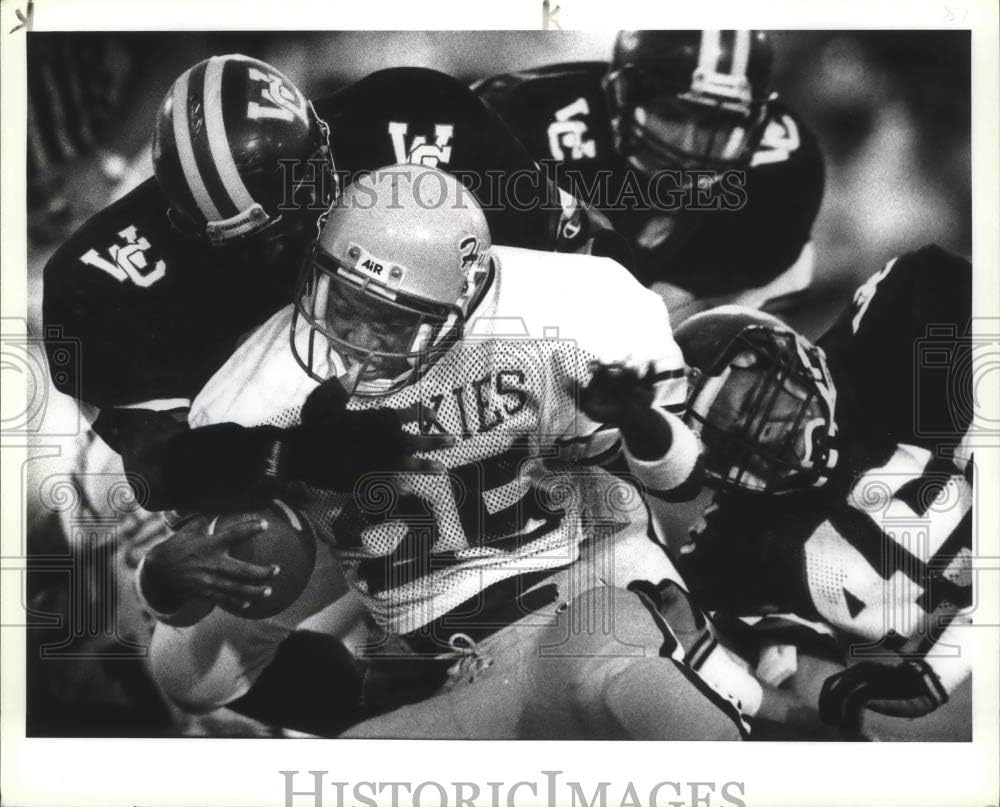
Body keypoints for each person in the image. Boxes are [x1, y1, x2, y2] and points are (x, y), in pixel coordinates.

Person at [141, 164, 761, 739]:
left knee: (683, 695)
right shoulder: (258, 390)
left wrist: (637, 421)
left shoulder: (568, 312)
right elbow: (192, 558)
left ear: (462, 306)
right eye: (345, 307)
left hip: (585, 576)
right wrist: (163, 576)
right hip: (444, 651)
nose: (356, 340)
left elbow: (684, 489)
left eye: (388, 324)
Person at [672, 245, 973, 736]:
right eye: (727, 444)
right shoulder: (732, 548)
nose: (762, 440)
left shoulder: (894, 328)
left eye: (755, 404)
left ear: (785, 358)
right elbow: (815, 697)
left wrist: (949, 663)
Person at [474, 30, 825, 322]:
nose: (690, 146)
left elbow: (650, 316)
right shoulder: (524, 115)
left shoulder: (782, 169)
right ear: (621, 94)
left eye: (716, 124)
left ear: (755, 120)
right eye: (671, 115)